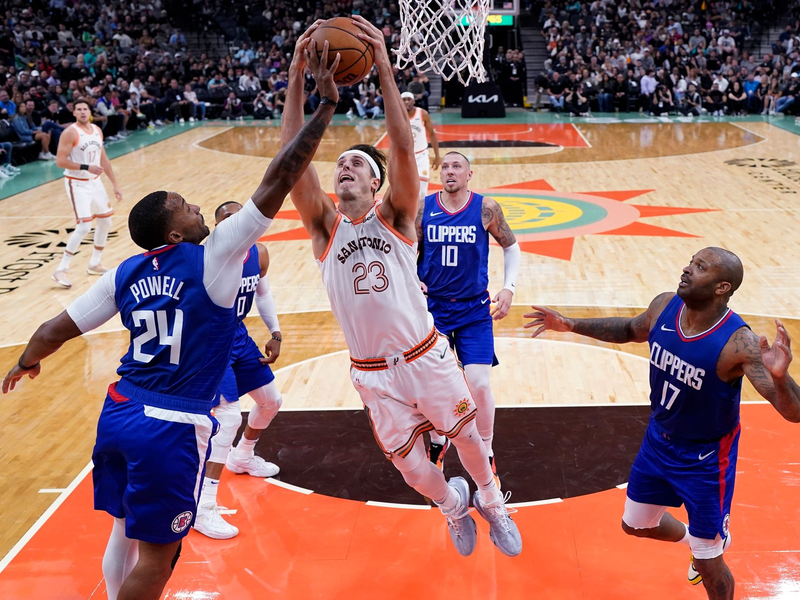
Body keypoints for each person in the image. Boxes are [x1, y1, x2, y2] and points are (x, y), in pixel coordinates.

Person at [1, 44, 338, 600]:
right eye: (185, 205)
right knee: (161, 557)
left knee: (123, 528)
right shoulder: (217, 255)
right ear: (175, 234)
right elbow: (281, 175)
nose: (198, 208)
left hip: (120, 411)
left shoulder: (125, 273)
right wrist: (323, 107)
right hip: (171, 426)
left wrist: (25, 362)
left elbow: (51, 331)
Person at [281, 17, 522, 558]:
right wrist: (297, 75)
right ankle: (453, 506)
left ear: (375, 182)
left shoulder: (397, 218)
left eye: (356, 165)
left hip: (424, 355)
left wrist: (385, 68)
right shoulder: (325, 227)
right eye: (338, 164)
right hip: (371, 372)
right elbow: (293, 161)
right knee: (414, 472)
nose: (343, 168)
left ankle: (492, 502)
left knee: (468, 438)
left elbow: (409, 157)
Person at [523, 248, 800, 600]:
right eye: (691, 262)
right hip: (658, 442)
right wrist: (570, 324)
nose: (687, 269)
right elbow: (628, 329)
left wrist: (780, 378)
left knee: (710, 563)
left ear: (721, 287)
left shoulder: (737, 341)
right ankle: (694, 541)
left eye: (700, 268)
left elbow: (793, 412)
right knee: (635, 524)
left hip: (705, 459)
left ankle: (704, 550)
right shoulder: (664, 305)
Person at [410, 150, 519, 485]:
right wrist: (414, 282)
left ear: (469, 175)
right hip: (434, 311)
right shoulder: (424, 208)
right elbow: (404, 251)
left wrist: (508, 288)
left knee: (480, 385)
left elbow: (510, 245)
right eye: (445, 167)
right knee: (432, 387)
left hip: (474, 310)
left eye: (457, 166)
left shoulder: (486, 208)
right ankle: (438, 442)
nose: (449, 171)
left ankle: (485, 449)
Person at [193, 201, 285, 540]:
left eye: (237, 217)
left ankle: (242, 456)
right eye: (225, 219)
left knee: (271, 401)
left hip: (239, 335)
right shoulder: (207, 257)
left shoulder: (258, 253)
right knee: (229, 417)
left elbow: (263, 293)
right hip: (209, 342)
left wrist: (275, 333)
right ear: (217, 228)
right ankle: (202, 508)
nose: (233, 224)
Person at [51, 99, 122, 288]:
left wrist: (114, 184)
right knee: (84, 226)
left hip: (95, 182)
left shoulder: (97, 130)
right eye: (79, 109)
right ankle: (61, 269)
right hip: (77, 183)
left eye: (85, 109)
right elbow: (60, 161)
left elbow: (103, 159)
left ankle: (94, 263)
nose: (82, 112)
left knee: (106, 221)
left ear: (89, 111)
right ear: (74, 113)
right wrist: (86, 167)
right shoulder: (70, 132)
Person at [401, 90, 440, 200]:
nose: (407, 102)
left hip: (421, 155)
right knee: (406, 192)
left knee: (422, 193)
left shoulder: (423, 114)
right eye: (404, 100)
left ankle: (422, 216)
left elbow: (432, 134)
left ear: (414, 101)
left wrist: (437, 156)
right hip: (405, 157)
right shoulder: (397, 116)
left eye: (409, 99)